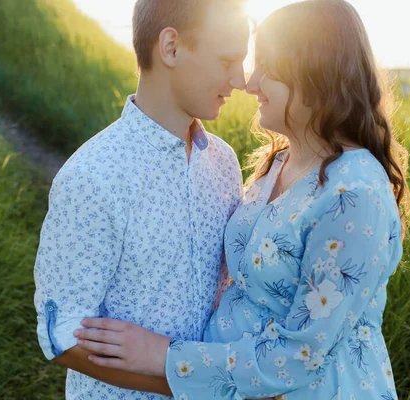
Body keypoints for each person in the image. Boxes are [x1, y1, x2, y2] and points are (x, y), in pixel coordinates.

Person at [73, 1, 410, 399]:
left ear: (316, 73)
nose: (249, 84)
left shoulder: (355, 195)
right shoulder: (279, 163)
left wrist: (164, 356)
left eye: (268, 67)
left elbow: (302, 354)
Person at [33, 0, 250, 398]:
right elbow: (62, 336)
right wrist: (195, 385)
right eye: (227, 61)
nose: (240, 79)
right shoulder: (92, 177)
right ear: (170, 48)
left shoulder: (224, 163)